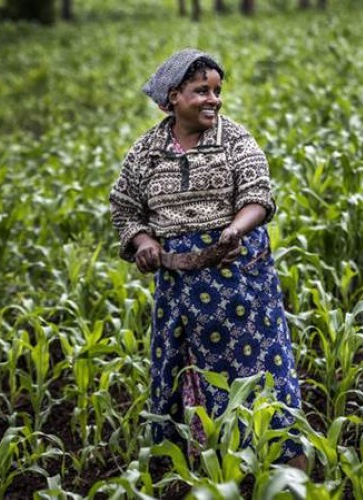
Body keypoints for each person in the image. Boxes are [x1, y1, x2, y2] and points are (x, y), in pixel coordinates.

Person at [109, 48, 306, 469]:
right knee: (185, 372)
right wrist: (143, 242)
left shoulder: (235, 141)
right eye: (202, 91)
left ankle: (286, 469)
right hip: (179, 289)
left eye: (217, 91)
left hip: (240, 283)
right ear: (172, 98)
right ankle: (199, 468)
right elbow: (124, 207)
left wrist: (235, 228)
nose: (213, 100)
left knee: (259, 371)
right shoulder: (146, 152)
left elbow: (258, 196)